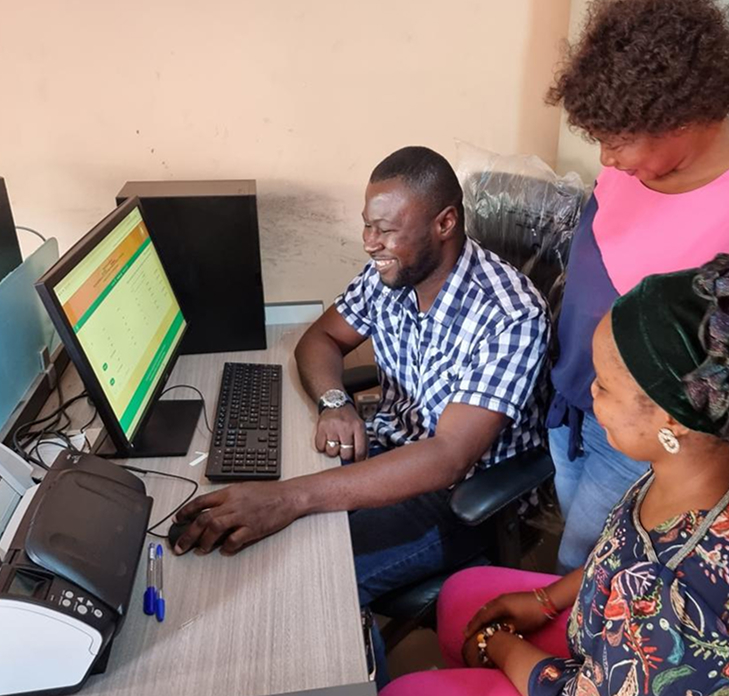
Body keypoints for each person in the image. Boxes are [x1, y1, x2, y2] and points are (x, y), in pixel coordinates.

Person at [171, 146, 550, 685]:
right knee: (266, 537)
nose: (370, 242)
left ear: (444, 223)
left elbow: (448, 456)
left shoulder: (511, 314)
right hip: (386, 447)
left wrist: (292, 497)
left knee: (308, 578)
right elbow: (320, 339)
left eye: (386, 230)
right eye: (367, 225)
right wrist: (334, 402)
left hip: (459, 499)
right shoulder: (391, 274)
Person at [382, 254, 729, 696]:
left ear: (671, 420)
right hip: (602, 629)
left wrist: (499, 646)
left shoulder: (679, 598)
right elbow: (619, 555)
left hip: (599, 677)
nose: (590, 391)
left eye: (604, 385)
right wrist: (548, 599)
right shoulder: (681, 469)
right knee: (460, 595)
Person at [543, 0, 729, 571]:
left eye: (619, 140)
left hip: (644, 438)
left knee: (588, 563)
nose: (605, 158)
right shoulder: (635, 162)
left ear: (682, 119)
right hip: (575, 396)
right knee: (572, 529)